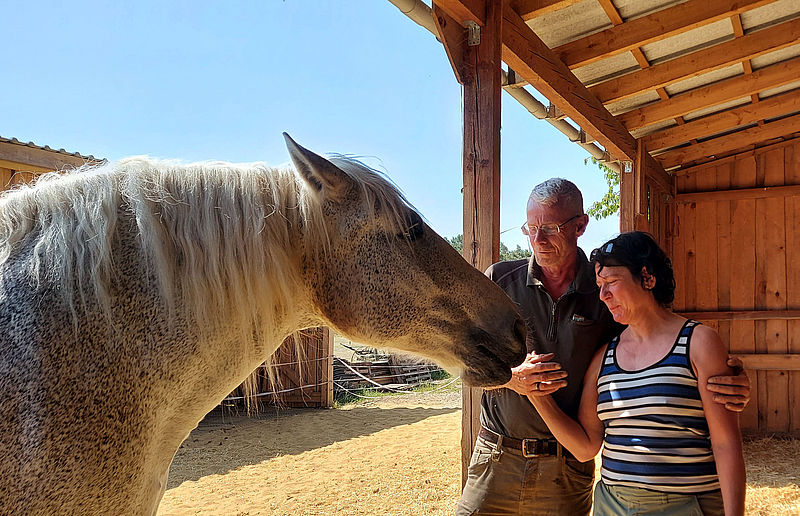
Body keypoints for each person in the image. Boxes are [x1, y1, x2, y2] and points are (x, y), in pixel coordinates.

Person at [455, 178, 750, 516]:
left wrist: (730, 375)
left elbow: (655, 342)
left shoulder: (605, 295)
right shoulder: (499, 281)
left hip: (566, 471)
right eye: (531, 228)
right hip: (497, 457)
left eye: (549, 227)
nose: (538, 240)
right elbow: (465, 362)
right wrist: (514, 379)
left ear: (580, 225)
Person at [526, 231, 744, 515]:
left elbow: (726, 443)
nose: (603, 295)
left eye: (612, 282)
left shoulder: (698, 342)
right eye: (600, 285)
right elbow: (585, 448)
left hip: (686, 505)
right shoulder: (604, 357)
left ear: (647, 278)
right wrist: (536, 396)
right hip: (612, 505)